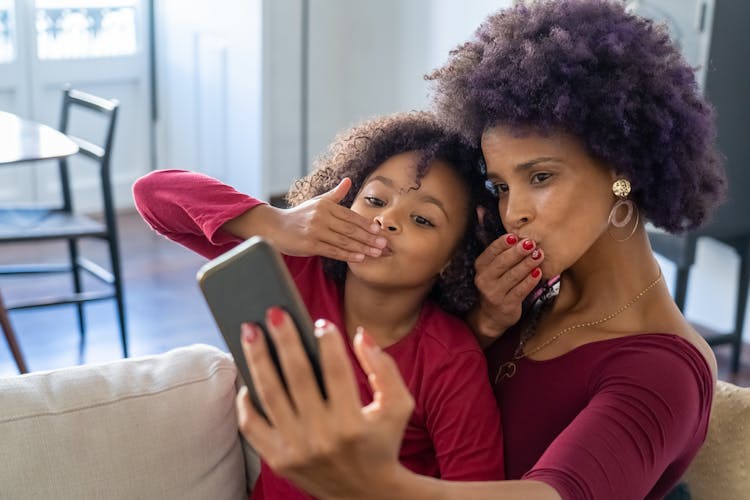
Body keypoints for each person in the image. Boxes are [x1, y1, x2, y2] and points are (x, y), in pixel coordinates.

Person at [233, 1, 727, 499]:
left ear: (622, 167)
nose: (515, 214)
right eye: (502, 187)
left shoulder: (663, 368)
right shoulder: (524, 298)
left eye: (540, 177)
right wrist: (486, 324)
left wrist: (371, 482)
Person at [133, 111, 509, 499]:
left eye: (423, 220)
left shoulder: (451, 361)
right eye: (375, 199)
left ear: (455, 257)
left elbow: (477, 490)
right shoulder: (290, 271)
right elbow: (151, 193)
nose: (387, 219)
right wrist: (274, 224)